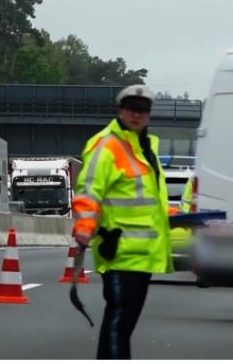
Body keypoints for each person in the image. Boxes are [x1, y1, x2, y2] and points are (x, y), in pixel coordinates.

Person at [72, 84, 173, 360]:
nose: (136, 115)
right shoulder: (106, 146)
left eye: (142, 110)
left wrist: (177, 219)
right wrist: (84, 227)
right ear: (120, 110)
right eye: (131, 109)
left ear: (149, 115)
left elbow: (149, 202)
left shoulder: (145, 149)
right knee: (118, 323)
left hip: (143, 256)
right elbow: (89, 190)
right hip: (119, 252)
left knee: (123, 325)